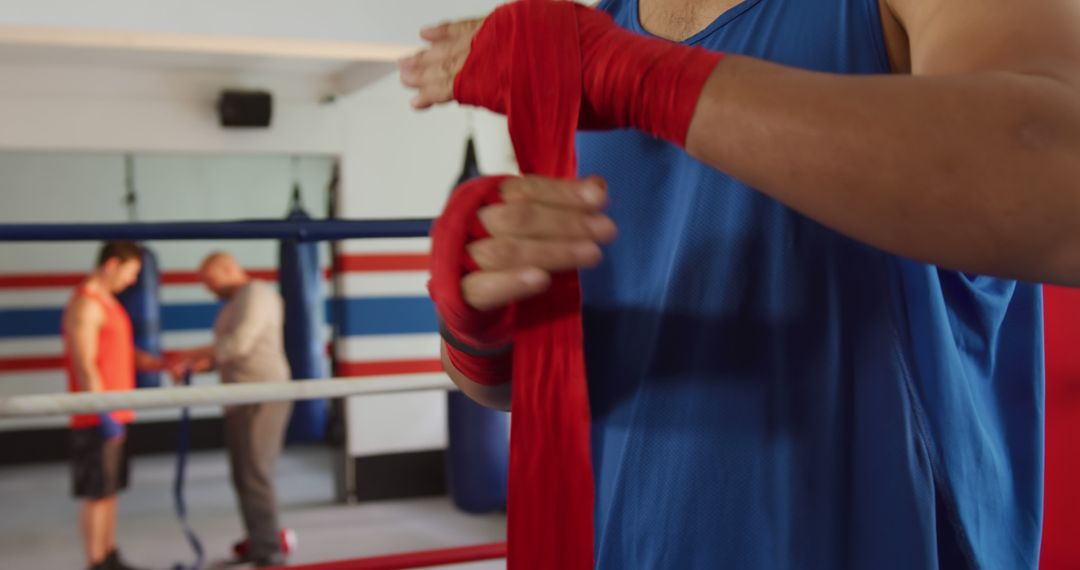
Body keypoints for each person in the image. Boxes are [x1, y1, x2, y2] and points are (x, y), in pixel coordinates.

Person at [400, 0, 1080, 567]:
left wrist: (650, 81)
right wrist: (478, 324)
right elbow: (568, 374)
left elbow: (1060, 182)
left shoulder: (601, 55)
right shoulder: (598, 28)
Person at [169, 252, 292, 568]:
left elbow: (239, 344)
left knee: (256, 474)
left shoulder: (257, 294)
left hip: (262, 394)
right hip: (240, 396)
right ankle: (259, 540)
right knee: (242, 475)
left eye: (210, 281)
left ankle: (269, 552)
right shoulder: (234, 303)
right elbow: (230, 353)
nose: (209, 290)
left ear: (228, 269)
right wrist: (201, 364)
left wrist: (188, 353)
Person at [64, 241, 163, 570]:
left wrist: (163, 364)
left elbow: (123, 353)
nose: (133, 281)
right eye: (131, 272)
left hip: (117, 411)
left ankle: (109, 554)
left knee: (110, 491)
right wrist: (102, 412)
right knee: (97, 493)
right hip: (97, 416)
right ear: (111, 265)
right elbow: (85, 364)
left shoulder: (110, 304)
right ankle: (95, 562)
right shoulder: (86, 304)